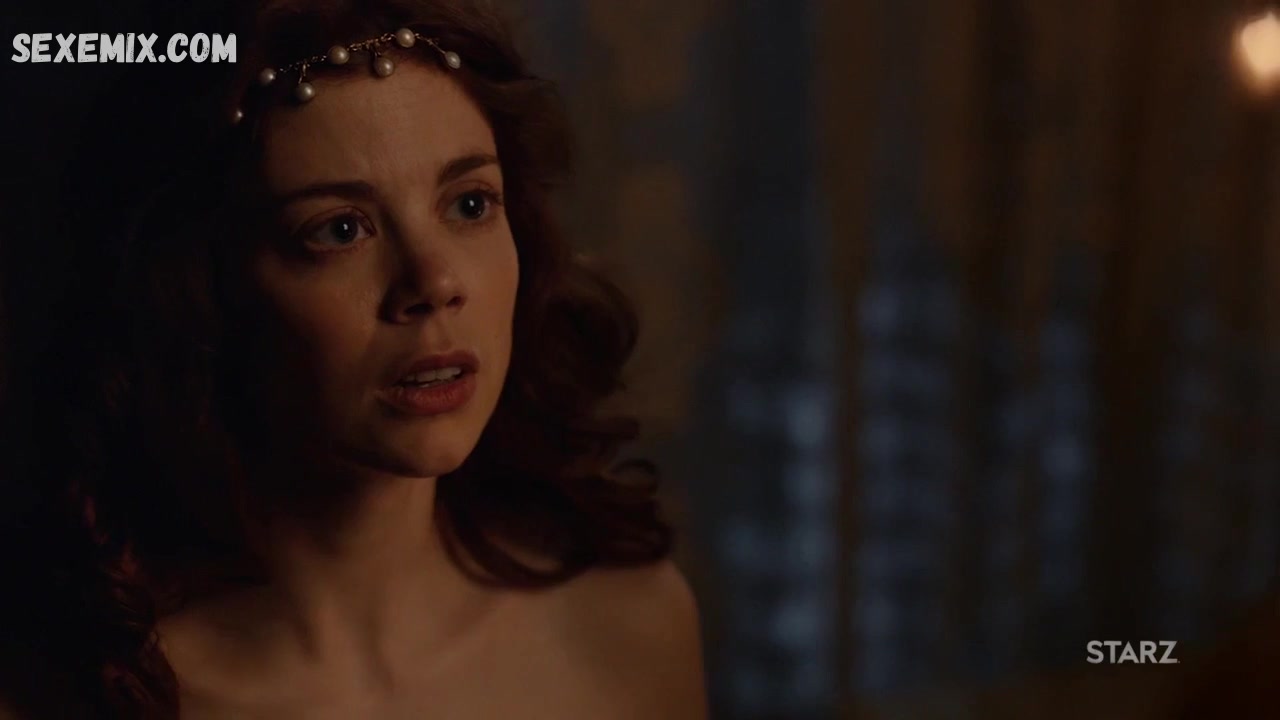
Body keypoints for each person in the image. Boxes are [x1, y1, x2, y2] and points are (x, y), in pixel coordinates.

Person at [0, 0, 707, 717]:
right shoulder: (73, 695)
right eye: (340, 230)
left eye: (469, 205)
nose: (435, 281)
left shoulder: (627, 628)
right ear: (205, 290)